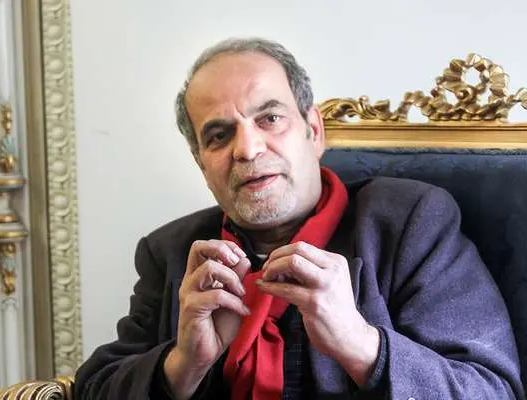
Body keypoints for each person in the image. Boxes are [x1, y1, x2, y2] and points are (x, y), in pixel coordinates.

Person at [74, 37, 524, 399]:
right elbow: (93, 387)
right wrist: (182, 364)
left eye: (269, 118)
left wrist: (360, 344)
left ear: (313, 131)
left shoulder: (410, 224)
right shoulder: (171, 251)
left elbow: (491, 389)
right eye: (219, 135)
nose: (247, 149)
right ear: (202, 164)